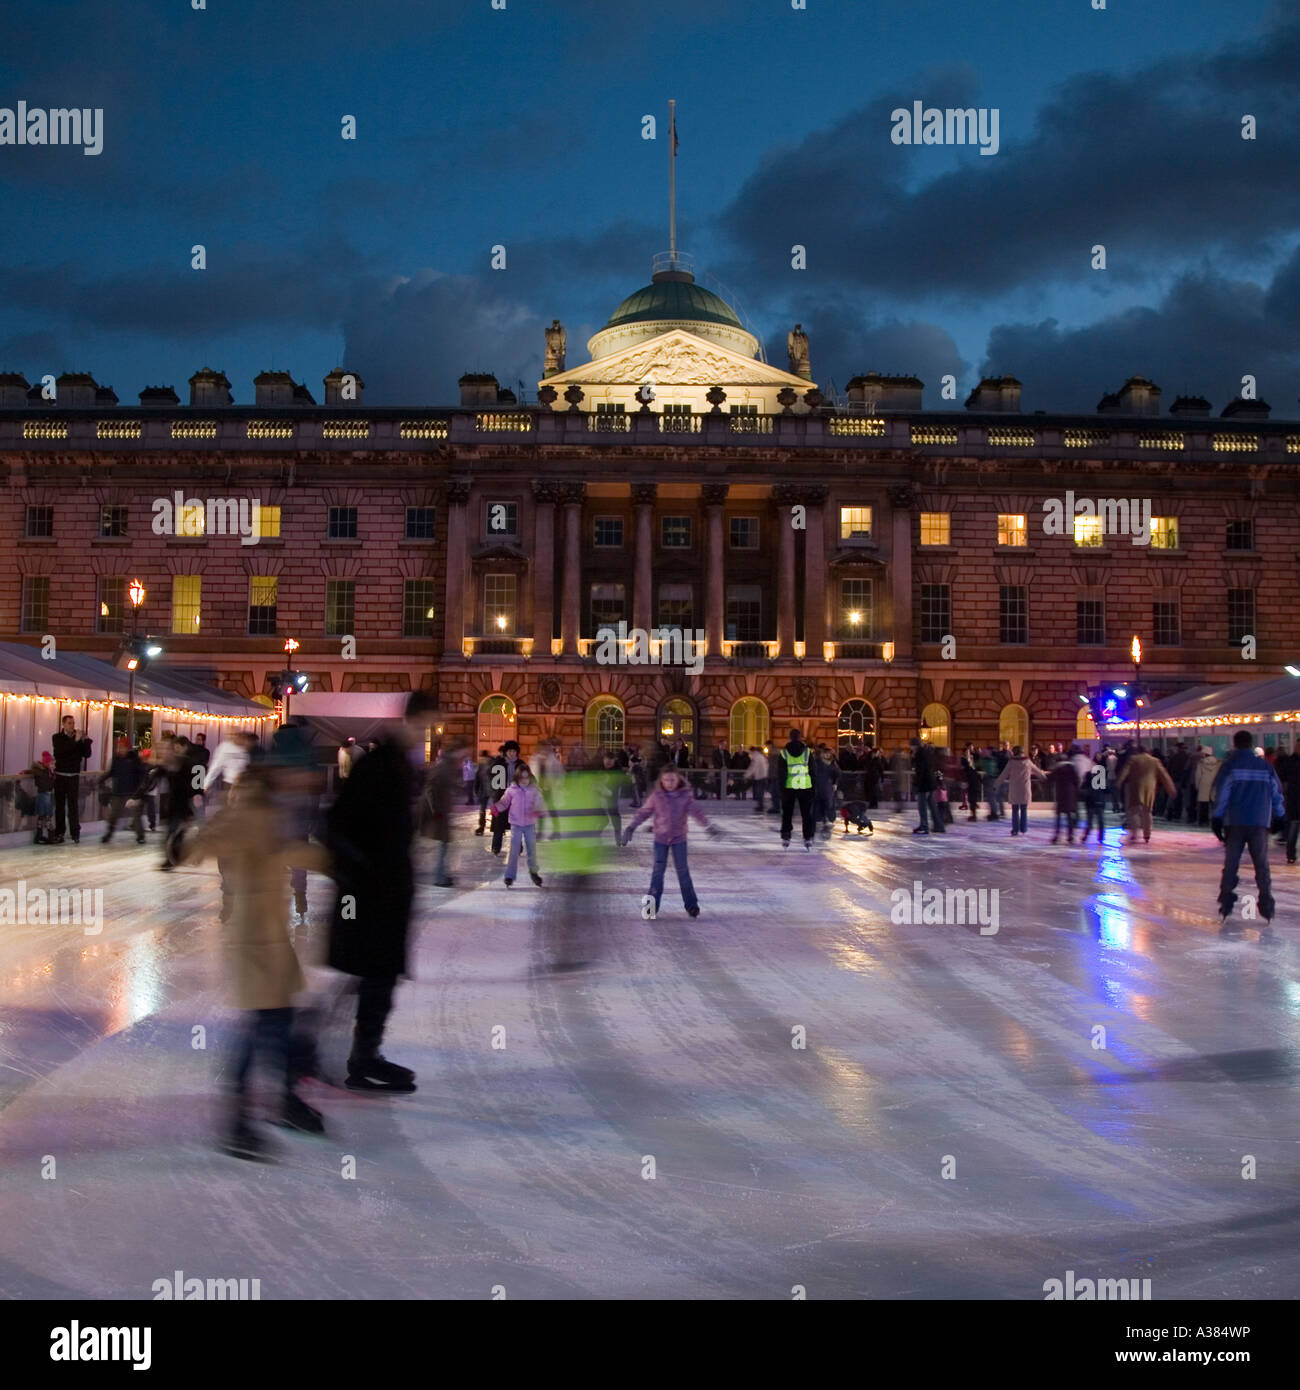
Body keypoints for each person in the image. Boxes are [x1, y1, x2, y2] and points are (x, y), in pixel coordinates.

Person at [175, 763, 331, 1160]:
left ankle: (276, 1103)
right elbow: (204, 844)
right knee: (262, 1026)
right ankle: (239, 1120)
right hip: (254, 943)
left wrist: (330, 858)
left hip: (270, 939)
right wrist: (183, 841)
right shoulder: (245, 815)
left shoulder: (265, 815)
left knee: (275, 1022)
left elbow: (286, 850)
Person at [325, 690, 435, 1093]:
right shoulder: (378, 765)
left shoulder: (399, 767)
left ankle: (361, 1054)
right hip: (371, 897)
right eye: (423, 726)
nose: (425, 734)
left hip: (386, 895)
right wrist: (365, 874)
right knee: (373, 977)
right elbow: (336, 825)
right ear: (409, 721)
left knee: (377, 979)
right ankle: (354, 1057)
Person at [1212, 729, 1286, 941]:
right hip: (1259, 822)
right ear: (1251, 744)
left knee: (1232, 862)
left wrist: (1217, 817)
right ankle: (1266, 902)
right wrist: (1280, 815)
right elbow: (1276, 793)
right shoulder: (1265, 767)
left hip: (1235, 821)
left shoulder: (1230, 767)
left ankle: (1226, 900)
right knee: (1261, 864)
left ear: (1235, 744)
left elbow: (1223, 793)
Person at [622, 765, 719, 917]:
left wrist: (708, 825)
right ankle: (651, 907)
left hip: (679, 839)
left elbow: (697, 812)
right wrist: (631, 827)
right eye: (666, 780)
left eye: (672, 779)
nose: (669, 783)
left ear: (678, 779)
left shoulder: (685, 795)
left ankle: (691, 905)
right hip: (660, 839)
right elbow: (644, 812)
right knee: (658, 872)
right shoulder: (657, 796)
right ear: (662, 780)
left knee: (683, 872)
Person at [422, 736, 467, 887]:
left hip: (442, 809)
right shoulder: (444, 765)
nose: (465, 756)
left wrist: (458, 789)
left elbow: (449, 784)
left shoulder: (452, 765)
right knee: (444, 842)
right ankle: (439, 877)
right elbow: (430, 787)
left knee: (445, 842)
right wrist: (435, 808)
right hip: (437, 810)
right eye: (464, 752)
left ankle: (441, 875)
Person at [495, 762, 546, 887]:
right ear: (518, 778)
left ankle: (534, 873)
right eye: (522, 778)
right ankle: (509, 875)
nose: (525, 780)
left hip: (529, 825)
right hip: (516, 824)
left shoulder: (534, 790)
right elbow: (504, 802)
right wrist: (496, 808)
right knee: (514, 851)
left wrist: (538, 810)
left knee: (531, 850)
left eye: (527, 777)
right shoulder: (512, 790)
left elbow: (540, 802)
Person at [1116, 744, 1176, 845]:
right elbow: (1164, 775)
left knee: (1133, 811)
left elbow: (1125, 771)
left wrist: (1119, 782)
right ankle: (1147, 834)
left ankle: (1134, 833)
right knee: (1147, 811)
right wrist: (1170, 788)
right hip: (1150, 787)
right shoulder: (1154, 761)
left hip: (1135, 787)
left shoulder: (1133, 759)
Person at [49, 713, 93, 844]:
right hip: (61, 776)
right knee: (60, 806)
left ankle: (75, 832)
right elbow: (62, 752)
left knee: (73, 806)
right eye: (69, 723)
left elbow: (87, 754)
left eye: (73, 723)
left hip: (73, 776)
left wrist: (86, 740)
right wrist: (76, 741)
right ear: (63, 724)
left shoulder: (77, 738)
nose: (72, 726)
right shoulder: (57, 738)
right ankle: (60, 832)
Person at [100, 737, 146, 843]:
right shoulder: (116, 759)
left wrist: (140, 790)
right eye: (119, 747)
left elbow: (142, 773)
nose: (121, 749)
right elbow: (111, 772)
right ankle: (109, 833)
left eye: (123, 747)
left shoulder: (134, 759)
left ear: (128, 748)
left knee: (136, 815)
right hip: (118, 792)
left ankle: (140, 836)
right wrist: (102, 779)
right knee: (114, 815)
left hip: (132, 792)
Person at [777, 727, 817, 849]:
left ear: (790, 737)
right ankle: (808, 837)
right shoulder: (807, 752)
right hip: (805, 787)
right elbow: (813, 771)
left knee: (787, 813)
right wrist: (814, 787)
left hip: (789, 787)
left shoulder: (784, 753)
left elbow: (781, 773)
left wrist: (781, 789)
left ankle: (786, 835)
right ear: (800, 738)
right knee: (806, 815)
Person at [995, 745, 1046, 836]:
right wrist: (1045, 778)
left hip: (1014, 789)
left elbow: (1004, 774)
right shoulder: (1028, 762)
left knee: (1015, 810)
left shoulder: (1011, 762)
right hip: (1024, 789)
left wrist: (996, 785)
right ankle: (1023, 829)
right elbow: (1038, 771)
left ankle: (1015, 829)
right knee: (1023, 810)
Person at [488, 741, 521, 855]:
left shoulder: (521, 764)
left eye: (514, 751)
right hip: (502, 798)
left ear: (517, 752)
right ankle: (496, 847)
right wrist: (494, 793)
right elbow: (491, 778)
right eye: (510, 751)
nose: (512, 753)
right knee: (499, 824)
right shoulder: (499, 764)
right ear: (506, 752)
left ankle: (517, 847)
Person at [594, 750, 632, 842]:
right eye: (607, 762)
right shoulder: (597, 766)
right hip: (597, 793)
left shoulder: (617, 769)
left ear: (614, 761)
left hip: (611, 792)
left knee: (614, 814)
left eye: (610, 763)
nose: (608, 764)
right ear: (603, 760)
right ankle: (595, 834)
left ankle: (618, 836)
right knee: (603, 818)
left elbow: (620, 783)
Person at [20, 752, 56, 844]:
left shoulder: (51, 772)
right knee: (46, 816)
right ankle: (49, 836)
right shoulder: (40, 771)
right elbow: (32, 771)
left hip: (48, 795)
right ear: (46, 763)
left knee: (44, 816)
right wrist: (24, 771)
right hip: (43, 795)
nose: (53, 765)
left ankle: (40, 836)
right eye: (51, 763)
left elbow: (52, 783)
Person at [1048, 749, 1082, 844]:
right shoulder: (1072, 768)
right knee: (1069, 816)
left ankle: (1057, 835)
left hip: (1061, 795)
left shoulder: (1058, 768)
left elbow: (1050, 779)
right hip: (1070, 795)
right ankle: (1070, 836)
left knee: (1059, 817)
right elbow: (1077, 781)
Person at [911, 738, 944, 835]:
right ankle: (939, 826)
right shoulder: (926, 753)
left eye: (912, 745)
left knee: (922, 806)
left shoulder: (919, 754)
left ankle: (924, 826)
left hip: (924, 784)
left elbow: (920, 771)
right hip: (930, 783)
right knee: (932, 806)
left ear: (915, 745)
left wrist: (917, 783)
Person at [1277, 746, 1300, 865]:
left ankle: (1291, 854)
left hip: (1293, 799)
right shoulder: (1290, 762)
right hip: (1294, 800)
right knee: (1293, 827)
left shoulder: (1289, 762)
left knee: (1293, 827)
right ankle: (1290, 854)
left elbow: (1282, 778)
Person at [1080, 752, 1109, 843]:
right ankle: (1100, 836)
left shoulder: (1088, 775)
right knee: (1100, 819)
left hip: (1090, 800)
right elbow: (1105, 788)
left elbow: (1084, 786)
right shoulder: (1101, 775)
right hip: (1099, 799)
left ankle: (1086, 835)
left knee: (1090, 819)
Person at [812, 746, 840, 834]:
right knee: (819, 803)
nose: (827, 755)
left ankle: (827, 818)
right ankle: (819, 818)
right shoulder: (817, 763)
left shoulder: (833, 763)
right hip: (818, 786)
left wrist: (835, 783)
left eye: (828, 754)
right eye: (825, 753)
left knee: (828, 803)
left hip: (828, 787)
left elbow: (837, 774)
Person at [1193, 746, 1219, 826]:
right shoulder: (1218, 762)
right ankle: (1215, 821)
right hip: (1214, 784)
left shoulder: (1201, 762)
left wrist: (1197, 786)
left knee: (1203, 804)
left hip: (1204, 784)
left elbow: (1198, 775)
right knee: (1214, 804)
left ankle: (1203, 821)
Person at [472, 749, 494, 834]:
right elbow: (477, 779)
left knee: (495, 809)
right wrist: (476, 790)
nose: (482, 760)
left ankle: (496, 826)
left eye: (484, 758)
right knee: (482, 809)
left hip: (492, 791)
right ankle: (481, 827)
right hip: (483, 791)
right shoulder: (480, 766)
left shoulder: (493, 765)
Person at [745, 745, 769, 813]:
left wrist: (747, 775)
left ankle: (760, 806)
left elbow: (753, 767)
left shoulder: (756, 757)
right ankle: (760, 806)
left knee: (759, 792)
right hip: (763, 776)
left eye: (750, 752)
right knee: (760, 792)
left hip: (761, 777)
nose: (750, 753)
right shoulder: (761, 756)